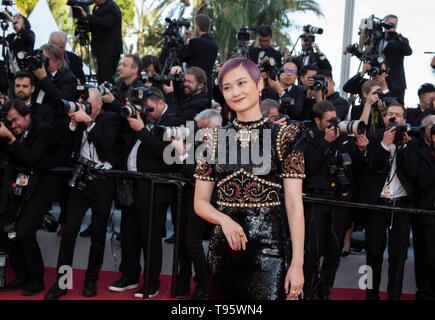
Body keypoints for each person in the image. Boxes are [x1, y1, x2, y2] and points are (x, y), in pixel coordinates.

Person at [193, 58, 305, 300]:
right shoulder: (213, 140)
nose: (235, 92)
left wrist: (297, 264)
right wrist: (224, 220)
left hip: (270, 251)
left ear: (259, 83)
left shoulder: (284, 137)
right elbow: (200, 202)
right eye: (227, 87)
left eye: (242, 83)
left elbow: (295, 204)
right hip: (223, 253)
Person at [44, 88, 121, 300]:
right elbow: (64, 148)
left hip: (102, 183)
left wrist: (89, 122)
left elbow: (106, 144)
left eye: (87, 101)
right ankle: (62, 283)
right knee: (69, 233)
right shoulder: (78, 122)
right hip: (80, 181)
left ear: (98, 105)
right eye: (81, 101)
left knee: (97, 235)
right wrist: (72, 125)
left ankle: (91, 280)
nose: (83, 104)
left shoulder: (111, 119)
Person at [108, 88, 182, 298]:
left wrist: (142, 130)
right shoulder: (142, 117)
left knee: (150, 239)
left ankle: (151, 282)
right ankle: (129, 276)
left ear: (160, 104)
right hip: (132, 186)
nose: (146, 112)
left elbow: (167, 155)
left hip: (154, 189)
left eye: (149, 108)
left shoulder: (174, 119)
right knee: (129, 235)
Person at [302, 101, 367, 300]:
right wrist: (326, 142)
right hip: (316, 200)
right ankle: (308, 291)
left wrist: (362, 150)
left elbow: (355, 167)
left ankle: (324, 292)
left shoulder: (344, 138)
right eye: (329, 121)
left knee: (333, 251)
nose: (334, 124)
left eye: (335, 119)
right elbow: (308, 166)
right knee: (312, 251)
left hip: (340, 202)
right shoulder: (308, 136)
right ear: (317, 121)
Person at [358, 103, 419, 300]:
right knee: (372, 253)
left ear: (404, 118)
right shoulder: (375, 137)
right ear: (384, 118)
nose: (394, 118)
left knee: (398, 257)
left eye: (398, 115)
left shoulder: (412, 141)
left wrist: (404, 146)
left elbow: (413, 172)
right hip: (377, 203)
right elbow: (373, 167)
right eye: (390, 115)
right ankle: (370, 294)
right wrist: (384, 145)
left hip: (401, 205)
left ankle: (394, 296)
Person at [0, 99, 57, 296]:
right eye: (8, 122)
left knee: (23, 232)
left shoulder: (43, 129)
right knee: (7, 229)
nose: (12, 125)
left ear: (27, 116)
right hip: (19, 185)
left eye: (15, 121)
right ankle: (22, 275)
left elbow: (32, 158)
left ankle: (36, 279)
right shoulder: (11, 131)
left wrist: (11, 139)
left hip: (43, 186)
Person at [411, 122, 435, 300]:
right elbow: (422, 183)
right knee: (426, 257)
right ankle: (425, 293)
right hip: (426, 215)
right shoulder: (421, 155)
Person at [75, 0, 122, 84]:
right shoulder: (97, 7)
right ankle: (102, 95)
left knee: (106, 78)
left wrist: (87, 16)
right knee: (100, 77)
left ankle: (110, 95)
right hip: (100, 50)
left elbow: (106, 23)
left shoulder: (111, 7)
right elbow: (96, 24)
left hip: (109, 50)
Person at [379, 14, 412, 104]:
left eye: (394, 24)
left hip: (396, 82)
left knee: (396, 107)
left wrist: (398, 36)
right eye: (390, 23)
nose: (392, 26)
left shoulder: (401, 39)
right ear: (383, 24)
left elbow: (408, 52)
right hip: (379, 79)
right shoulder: (377, 38)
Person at [183, 14, 218, 97]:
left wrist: (185, 41)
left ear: (198, 26)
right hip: (208, 85)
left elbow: (183, 57)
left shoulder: (195, 42)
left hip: (194, 86)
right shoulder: (214, 44)